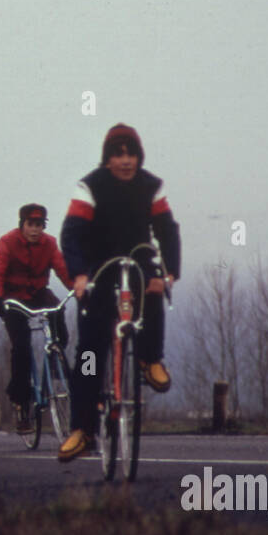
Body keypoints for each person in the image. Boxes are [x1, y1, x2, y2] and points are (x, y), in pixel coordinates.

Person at [57, 123, 182, 461]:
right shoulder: (90, 186)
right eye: (118, 154)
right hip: (98, 261)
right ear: (108, 158)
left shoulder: (151, 186)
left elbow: (167, 230)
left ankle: (150, 358)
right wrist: (80, 276)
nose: (126, 161)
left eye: (131, 154)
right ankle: (82, 430)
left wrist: (170, 271)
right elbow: (71, 235)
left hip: (138, 254)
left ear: (139, 157)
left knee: (153, 286)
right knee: (88, 352)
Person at [0, 203, 72, 432]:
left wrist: (78, 289)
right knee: (22, 347)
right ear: (22, 225)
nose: (35, 230)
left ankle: (55, 362)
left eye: (39, 225)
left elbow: (63, 270)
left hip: (38, 294)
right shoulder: (8, 242)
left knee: (58, 316)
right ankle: (22, 404)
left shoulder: (49, 244)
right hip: (14, 299)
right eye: (31, 225)